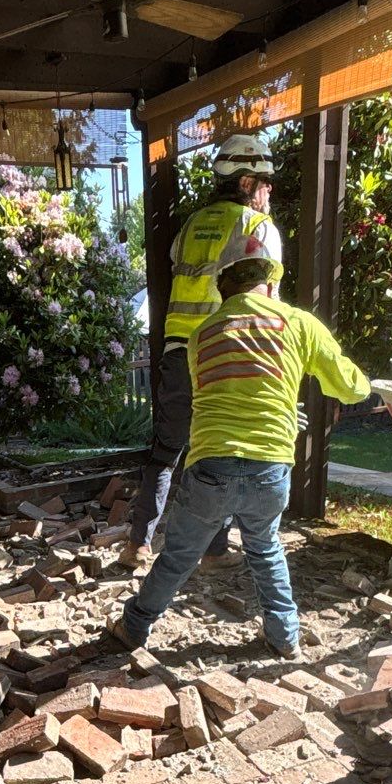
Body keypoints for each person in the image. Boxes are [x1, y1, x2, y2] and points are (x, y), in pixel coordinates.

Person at [113, 256, 369, 658]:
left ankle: (133, 627)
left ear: (224, 292)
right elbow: (350, 388)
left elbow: (216, 396)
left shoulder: (202, 335)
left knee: (179, 556)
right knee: (266, 549)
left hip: (210, 466)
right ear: (269, 286)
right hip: (270, 468)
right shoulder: (296, 323)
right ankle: (285, 638)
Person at [123, 131, 284, 569]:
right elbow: (266, 303)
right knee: (220, 452)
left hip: (178, 351)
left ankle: (139, 543)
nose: (270, 192)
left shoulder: (192, 226)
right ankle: (214, 549)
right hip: (223, 355)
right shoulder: (257, 228)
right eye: (266, 182)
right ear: (248, 183)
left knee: (166, 450)